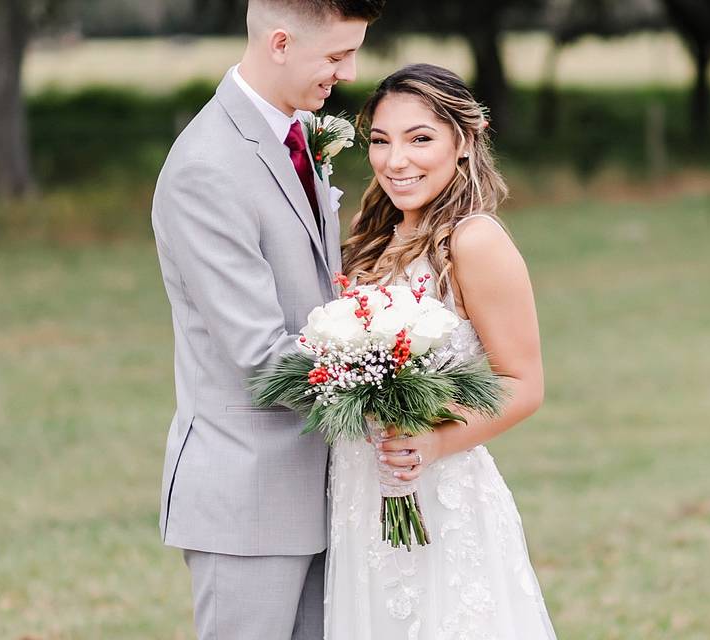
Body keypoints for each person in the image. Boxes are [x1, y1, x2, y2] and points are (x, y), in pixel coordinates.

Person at [150, 1, 384, 638]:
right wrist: (390, 381)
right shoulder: (207, 167)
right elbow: (260, 355)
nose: (349, 70)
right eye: (336, 55)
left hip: (323, 487)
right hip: (247, 496)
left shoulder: (294, 134)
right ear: (280, 42)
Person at [328, 63, 557, 639]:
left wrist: (434, 443)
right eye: (380, 141)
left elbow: (523, 383)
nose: (395, 160)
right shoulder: (370, 234)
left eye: (419, 138)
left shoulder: (474, 240)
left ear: (463, 142)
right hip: (360, 486)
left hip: (440, 489)